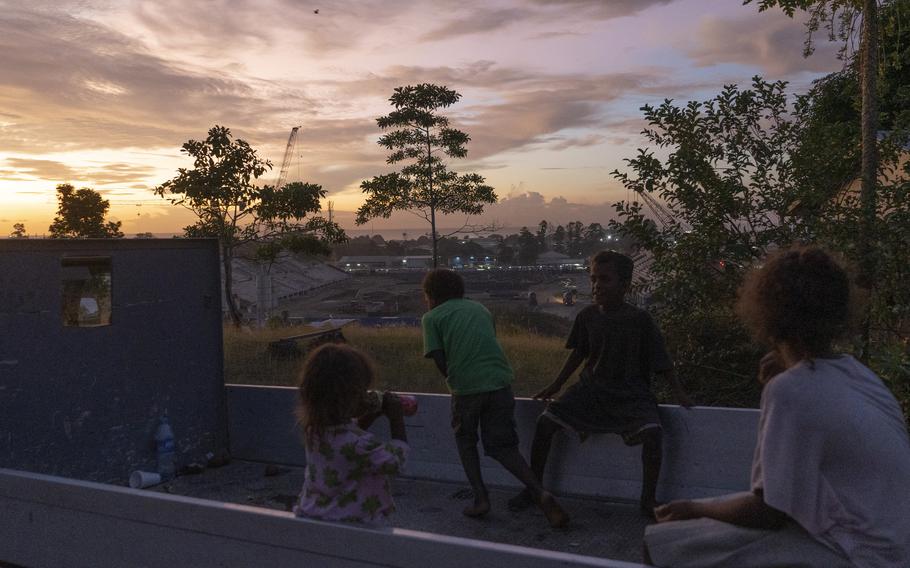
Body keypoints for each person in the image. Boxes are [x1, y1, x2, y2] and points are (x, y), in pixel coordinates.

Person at [644, 246, 910, 567]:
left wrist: (692, 508)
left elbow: (768, 512)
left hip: (859, 556)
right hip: (894, 546)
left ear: (768, 314)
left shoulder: (790, 389)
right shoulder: (859, 375)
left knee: (660, 543)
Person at [509, 250, 693, 517]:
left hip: (630, 394)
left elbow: (661, 359)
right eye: (594, 279)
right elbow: (579, 354)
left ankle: (648, 500)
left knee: (653, 434)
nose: (596, 286)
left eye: (604, 279)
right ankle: (534, 489)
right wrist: (556, 385)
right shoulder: (587, 317)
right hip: (591, 390)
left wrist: (678, 392)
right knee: (545, 422)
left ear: (625, 286)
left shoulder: (640, 320)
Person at [421, 268, 569, 528]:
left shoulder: (431, 317)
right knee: (503, 446)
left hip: (467, 389)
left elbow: (440, 359)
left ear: (431, 295)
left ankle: (481, 498)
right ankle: (540, 492)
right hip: (500, 382)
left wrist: (456, 381)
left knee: (466, 440)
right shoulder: (480, 309)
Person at [292, 343, 408, 527]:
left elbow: (346, 440)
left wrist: (370, 415)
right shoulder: (360, 444)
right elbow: (395, 462)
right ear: (347, 398)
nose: (365, 396)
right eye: (361, 392)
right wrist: (397, 419)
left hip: (313, 517)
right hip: (354, 526)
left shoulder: (314, 430)